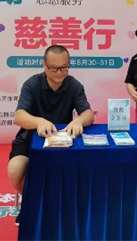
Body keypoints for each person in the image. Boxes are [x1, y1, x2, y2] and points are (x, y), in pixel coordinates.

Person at [7, 45, 94, 226]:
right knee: (15, 170)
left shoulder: (74, 85)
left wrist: (78, 121)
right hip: (30, 140)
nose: (59, 73)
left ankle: (63, 204)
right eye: (54, 68)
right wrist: (38, 121)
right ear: (44, 65)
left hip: (62, 142)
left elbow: (88, 114)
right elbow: (19, 116)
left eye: (64, 67)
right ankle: (31, 202)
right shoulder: (32, 84)